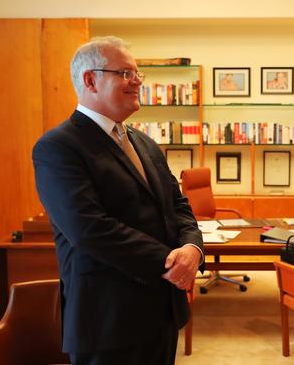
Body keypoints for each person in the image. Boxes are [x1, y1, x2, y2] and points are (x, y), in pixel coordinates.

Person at [32, 36, 204, 364]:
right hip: (108, 319)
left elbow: (177, 206)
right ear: (90, 80)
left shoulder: (145, 142)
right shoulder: (58, 147)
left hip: (162, 311)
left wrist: (193, 249)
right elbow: (89, 229)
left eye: (138, 74)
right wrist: (171, 262)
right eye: (125, 73)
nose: (137, 81)